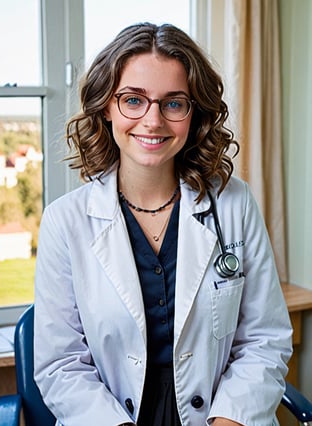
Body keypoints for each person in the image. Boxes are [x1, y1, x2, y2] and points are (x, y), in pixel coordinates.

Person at [34, 22, 293, 426]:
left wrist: (228, 421)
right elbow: (61, 365)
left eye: (173, 103)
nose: (152, 121)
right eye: (133, 100)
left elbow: (264, 341)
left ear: (194, 113)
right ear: (106, 106)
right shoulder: (65, 221)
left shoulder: (234, 204)